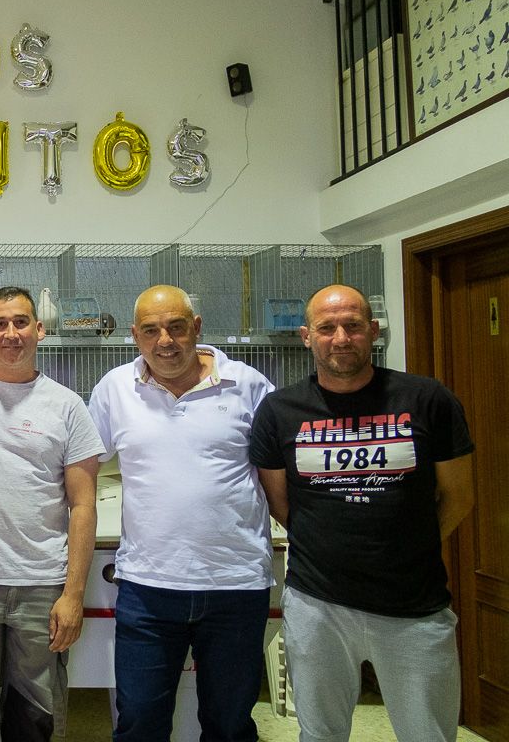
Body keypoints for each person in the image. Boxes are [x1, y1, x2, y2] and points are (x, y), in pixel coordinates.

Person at [249, 284, 475, 742]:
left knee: (428, 733)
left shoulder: (427, 399)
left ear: (372, 331)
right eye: (327, 327)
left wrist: (409, 547)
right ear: (306, 336)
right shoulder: (279, 411)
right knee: (321, 734)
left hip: (415, 607)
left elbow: (459, 496)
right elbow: (279, 501)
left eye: (352, 325)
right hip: (318, 604)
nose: (341, 337)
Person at [87, 284, 275, 741]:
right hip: (149, 588)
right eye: (151, 331)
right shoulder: (116, 388)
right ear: (135, 335)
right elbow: (83, 467)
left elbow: (277, 473)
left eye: (175, 327)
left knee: (229, 724)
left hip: (236, 584)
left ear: (197, 328)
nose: (164, 341)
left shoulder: (248, 384)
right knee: (138, 722)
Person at [0, 287, 104, 741]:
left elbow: (83, 505)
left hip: (42, 583)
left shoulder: (67, 405)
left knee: (35, 717)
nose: (12, 333)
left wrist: (73, 594)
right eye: (1, 324)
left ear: (40, 330)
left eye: (22, 322)